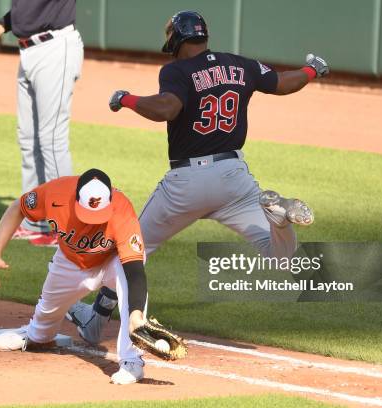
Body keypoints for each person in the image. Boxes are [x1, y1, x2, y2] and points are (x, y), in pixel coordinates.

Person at [67, 10, 328, 342]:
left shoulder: (177, 70)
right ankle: (280, 220)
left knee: (131, 248)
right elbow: (283, 83)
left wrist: (125, 99)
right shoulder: (241, 64)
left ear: (176, 39)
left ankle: (97, 319)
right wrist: (312, 69)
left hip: (187, 184)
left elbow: (167, 108)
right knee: (280, 257)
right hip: (234, 179)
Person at [0, 169, 149, 384]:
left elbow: (134, 269)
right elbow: (18, 208)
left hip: (111, 262)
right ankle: (35, 334)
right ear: (76, 198)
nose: (93, 221)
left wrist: (135, 314)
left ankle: (132, 361)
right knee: (44, 324)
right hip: (71, 261)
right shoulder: (55, 193)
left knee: (131, 290)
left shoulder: (122, 210)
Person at [0, 0, 84, 246]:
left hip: (55, 48)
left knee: (51, 140)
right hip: (28, 53)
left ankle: (66, 227)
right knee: (28, 139)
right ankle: (35, 221)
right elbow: (27, 9)